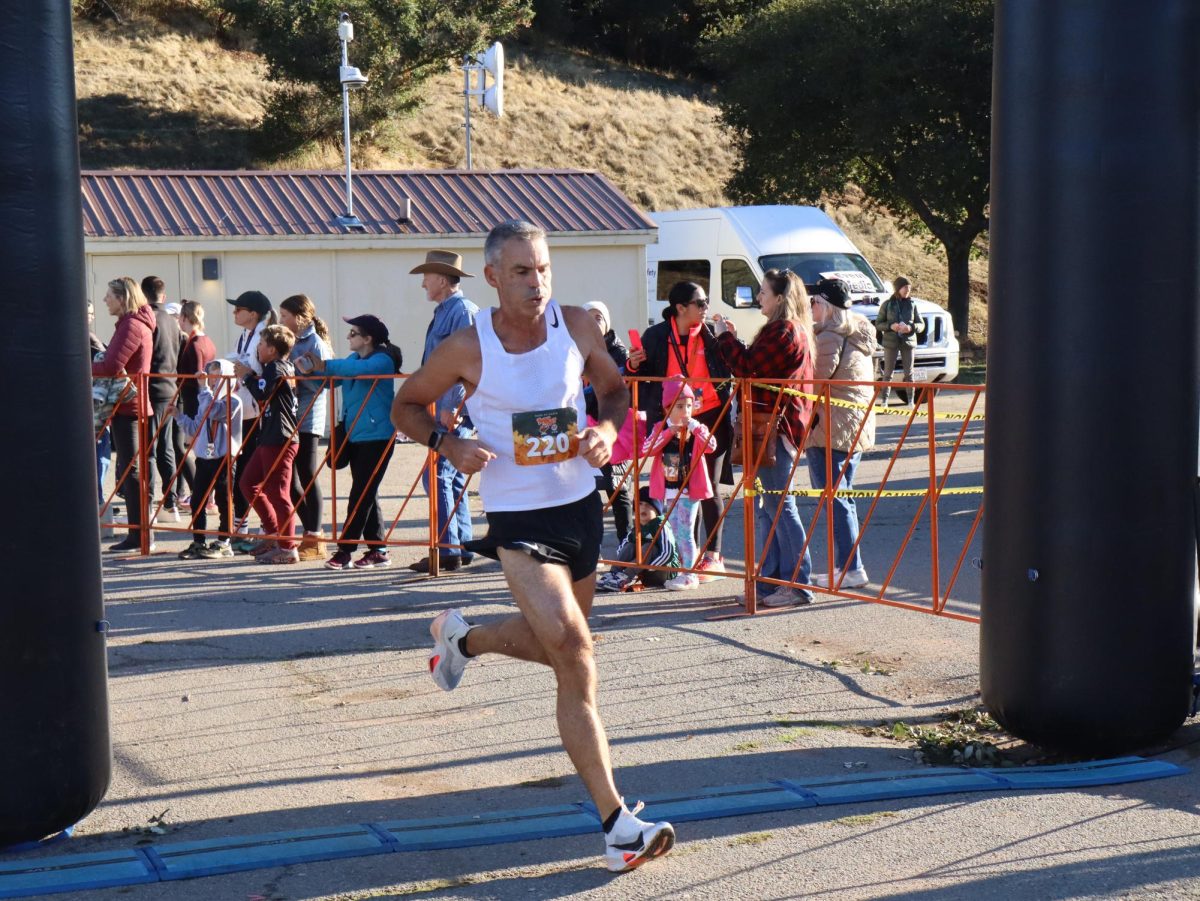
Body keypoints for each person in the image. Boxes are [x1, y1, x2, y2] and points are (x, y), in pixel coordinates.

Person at [391, 220, 675, 872]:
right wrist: (451, 444)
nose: (536, 281)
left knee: (561, 651)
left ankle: (461, 639)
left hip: (580, 510)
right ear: (492, 277)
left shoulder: (576, 325)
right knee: (574, 652)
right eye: (521, 271)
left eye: (542, 268)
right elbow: (406, 406)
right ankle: (618, 826)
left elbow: (612, 387)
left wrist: (606, 429)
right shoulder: (468, 344)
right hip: (519, 523)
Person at [712, 268, 816, 608]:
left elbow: (747, 368)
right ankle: (771, 582)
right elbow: (755, 366)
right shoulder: (788, 330)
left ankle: (797, 583)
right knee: (768, 509)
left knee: (778, 506)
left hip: (775, 426)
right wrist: (733, 339)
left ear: (780, 297)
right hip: (771, 426)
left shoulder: (784, 331)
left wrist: (725, 338)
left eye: (763, 291)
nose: (758, 297)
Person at [625, 281, 731, 582]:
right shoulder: (657, 335)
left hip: (709, 415)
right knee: (679, 487)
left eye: (706, 301)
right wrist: (633, 366)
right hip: (671, 419)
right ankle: (688, 557)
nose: (706, 307)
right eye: (701, 302)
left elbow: (730, 369)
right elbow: (639, 375)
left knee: (707, 483)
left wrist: (729, 341)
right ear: (681, 308)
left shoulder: (711, 335)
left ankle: (713, 556)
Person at [306, 314, 403, 571]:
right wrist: (309, 369)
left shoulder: (382, 360)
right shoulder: (351, 359)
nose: (348, 337)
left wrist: (323, 365)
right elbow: (333, 380)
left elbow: (358, 372)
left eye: (353, 333)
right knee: (366, 493)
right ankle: (378, 550)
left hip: (378, 436)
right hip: (354, 434)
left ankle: (345, 551)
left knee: (360, 494)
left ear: (368, 338)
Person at [406, 251, 479, 574]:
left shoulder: (461, 311)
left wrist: (453, 405)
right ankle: (461, 546)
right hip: (444, 406)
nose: (423, 282)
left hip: (453, 408)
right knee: (450, 474)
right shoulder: (449, 311)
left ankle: (449, 548)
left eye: (427, 276)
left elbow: (466, 362)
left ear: (441, 279)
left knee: (437, 475)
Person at [806, 278, 878, 589]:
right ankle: (847, 566)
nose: (810, 308)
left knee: (836, 498)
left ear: (825, 305)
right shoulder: (856, 331)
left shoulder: (829, 338)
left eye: (814, 302)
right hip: (853, 425)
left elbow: (815, 383)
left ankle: (851, 567)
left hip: (831, 426)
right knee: (842, 496)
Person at [92, 277, 156, 553]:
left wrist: (83, 366)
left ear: (123, 297)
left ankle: (139, 536)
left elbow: (112, 365)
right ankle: (138, 534)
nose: (105, 300)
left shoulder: (131, 325)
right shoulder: (132, 323)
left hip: (129, 405)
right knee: (130, 470)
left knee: (131, 472)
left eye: (109, 295)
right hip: (129, 403)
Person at [639, 378, 717, 591]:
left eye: (689, 406)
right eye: (680, 406)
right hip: (669, 489)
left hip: (689, 491)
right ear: (667, 409)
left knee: (685, 533)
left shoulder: (696, 429)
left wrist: (696, 427)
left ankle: (689, 575)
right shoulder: (661, 427)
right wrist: (669, 431)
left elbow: (711, 446)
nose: (686, 411)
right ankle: (683, 571)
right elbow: (647, 449)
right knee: (674, 532)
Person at [234, 324, 299, 564]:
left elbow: (263, 392)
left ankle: (288, 547)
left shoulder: (278, 367)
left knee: (279, 493)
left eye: (261, 345)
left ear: (271, 349)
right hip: (269, 436)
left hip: (281, 438)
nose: (258, 349)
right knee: (248, 483)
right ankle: (273, 533)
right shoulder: (273, 367)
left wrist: (248, 376)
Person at [169, 359, 243, 560]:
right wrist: (178, 416)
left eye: (217, 375)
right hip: (204, 456)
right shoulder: (205, 398)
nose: (211, 380)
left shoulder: (233, 400)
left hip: (224, 456)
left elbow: (215, 411)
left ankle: (224, 540)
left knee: (223, 498)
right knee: (198, 499)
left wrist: (203, 390)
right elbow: (195, 427)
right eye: (210, 375)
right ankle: (199, 540)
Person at [279, 294, 334, 561]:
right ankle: (310, 534)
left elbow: (324, 382)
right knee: (291, 480)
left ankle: (315, 536)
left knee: (307, 475)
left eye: (285, 316)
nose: (281, 321)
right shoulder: (291, 341)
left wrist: (296, 377)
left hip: (309, 417)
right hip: (291, 417)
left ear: (300, 318)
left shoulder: (315, 343)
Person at [225, 290, 275, 552]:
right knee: (242, 472)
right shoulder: (245, 335)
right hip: (243, 410)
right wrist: (216, 366)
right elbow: (235, 360)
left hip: (257, 412)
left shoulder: (263, 335)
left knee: (255, 475)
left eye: (238, 309)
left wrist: (242, 371)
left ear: (253, 314)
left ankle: (268, 529)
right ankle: (241, 527)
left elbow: (255, 368)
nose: (234, 313)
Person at [582, 300, 633, 545]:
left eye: (599, 318)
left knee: (618, 488)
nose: (594, 322)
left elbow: (615, 387)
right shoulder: (574, 348)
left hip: (612, 426)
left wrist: (585, 395)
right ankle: (590, 544)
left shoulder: (618, 351)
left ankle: (626, 542)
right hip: (582, 424)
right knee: (585, 488)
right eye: (588, 317)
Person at [140, 275, 182, 520]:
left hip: (152, 390)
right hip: (170, 388)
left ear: (144, 295)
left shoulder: (148, 319)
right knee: (165, 447)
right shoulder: (172, 321)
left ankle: (148, 505)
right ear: (163, 296)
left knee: (148, 450)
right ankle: (170, 502)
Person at [175, 300, 216, 506]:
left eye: (180, 318)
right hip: (202, 399)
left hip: (195, 400)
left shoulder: (194, 344)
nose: (179, 323)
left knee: (199, 450)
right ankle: (209, 496)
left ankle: (205, 496)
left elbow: (198, 376)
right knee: (204, 448)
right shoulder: (206, 340)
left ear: (185, 318)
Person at [876, 275, 925, 406]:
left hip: (908, 342)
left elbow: (921, 325)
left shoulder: (912, 305)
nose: (907, 290)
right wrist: (890, 326)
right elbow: (878, 323)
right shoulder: (887, 304)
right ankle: (884, 400)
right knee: (887, 373)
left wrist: (911, 327)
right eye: (905, 287)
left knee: (909, 373)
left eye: (909, 288)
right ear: (898, 289)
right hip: (890, 342)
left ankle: (910, 400)